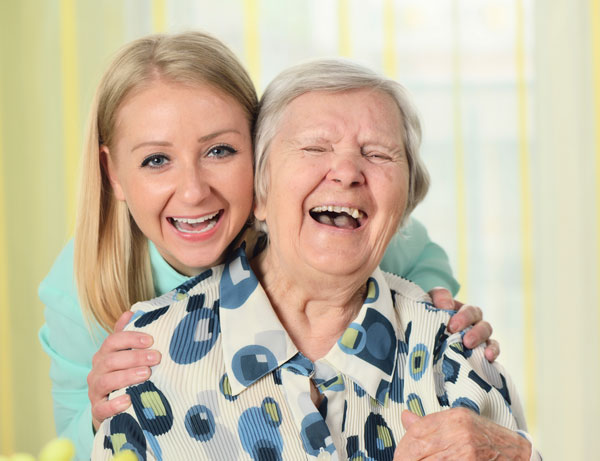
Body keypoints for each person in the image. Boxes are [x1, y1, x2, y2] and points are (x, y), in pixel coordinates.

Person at [38, 32, 494, 460]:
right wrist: (98, 415)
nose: (194, 191)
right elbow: (69, 443)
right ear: (113, 173)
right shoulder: (77, 287)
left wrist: (442, 308)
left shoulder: (326, 237)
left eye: (219, 151)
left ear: (262, 159)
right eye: (157, 160)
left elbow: (418, 253)